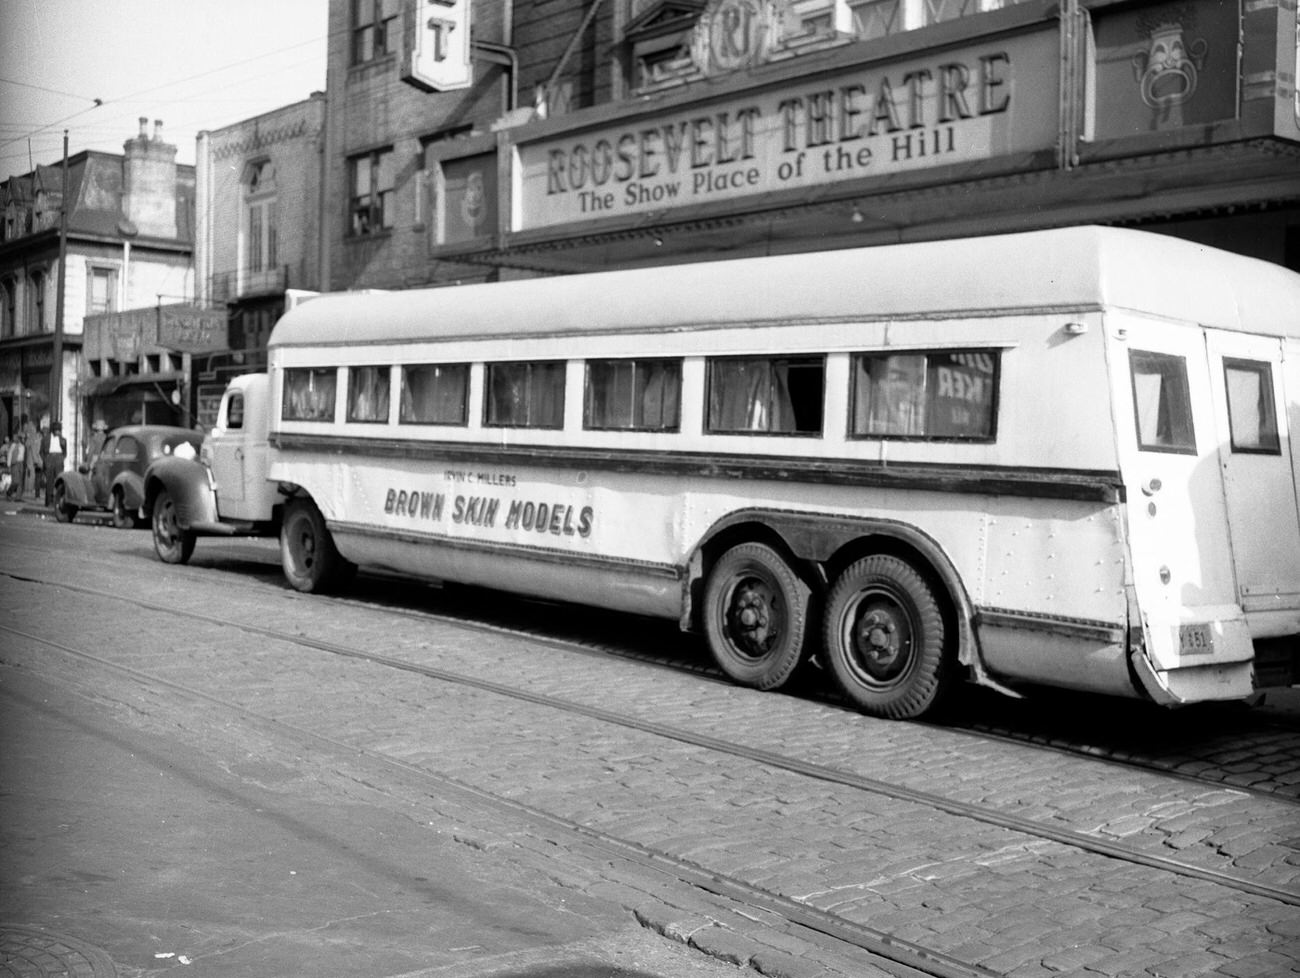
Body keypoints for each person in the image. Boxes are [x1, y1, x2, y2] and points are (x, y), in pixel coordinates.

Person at [42, 421, 67, 506]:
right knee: (49, 481)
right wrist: (46, 460)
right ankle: (49, 501)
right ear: (53, 430)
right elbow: (41, 452)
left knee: (59, 480)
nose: (58, 432)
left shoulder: (63, 440)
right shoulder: (46, 439)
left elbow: (65, 452)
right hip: (49, 458)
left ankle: (58, 501)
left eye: (59, 430)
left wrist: (61, 459)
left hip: (59, 459)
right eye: (57, 430)